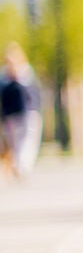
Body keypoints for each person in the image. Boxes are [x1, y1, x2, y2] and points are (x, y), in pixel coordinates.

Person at [0, 44, 42, 180]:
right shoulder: (4, 79)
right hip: (11, 116)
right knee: (16, 143)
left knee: (28, 140)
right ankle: (19, 166)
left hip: (29, 113)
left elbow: (34, 95)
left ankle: (22, 166)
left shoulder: (27, 74)